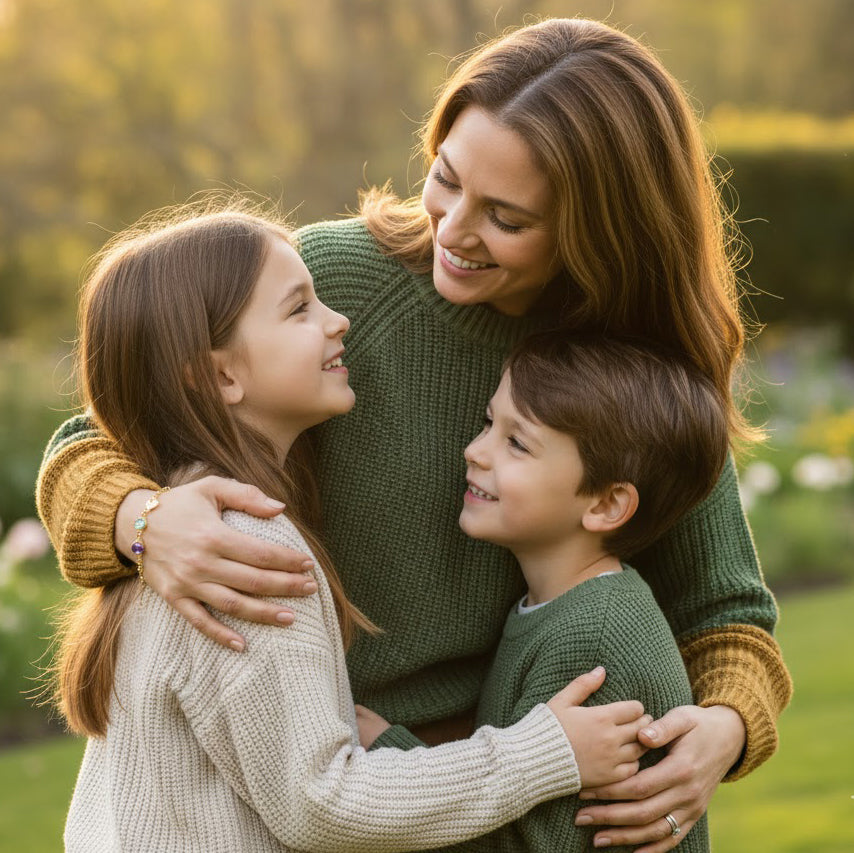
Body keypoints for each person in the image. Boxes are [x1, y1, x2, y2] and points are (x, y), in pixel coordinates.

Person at [38, 18, 792, 849]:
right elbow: (104, 431)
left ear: (597, 230)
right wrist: (143, 521)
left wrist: (723, 729)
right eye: (445, 178)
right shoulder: (332, 285)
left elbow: (726, 613)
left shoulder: (633, 375)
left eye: (506, 217)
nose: (453, 229)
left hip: (482, 796)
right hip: (322, 785)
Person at [55, 205, 650, 852]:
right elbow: (321, 803)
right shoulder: (244, 551)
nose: (338, 320)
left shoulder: (177, 525)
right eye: (299, 309)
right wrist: (545, 753)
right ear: (221, 374)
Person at [357, 331, 731, 851]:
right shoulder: (561, 609)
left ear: (605, 504)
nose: (474, 451)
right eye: (489, 422)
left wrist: (385, 752)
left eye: (517, 443)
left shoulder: (593, 642)